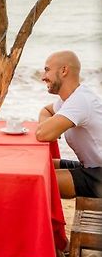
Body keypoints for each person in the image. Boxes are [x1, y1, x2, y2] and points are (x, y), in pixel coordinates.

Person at [36, 50, 102, 199]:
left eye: (47, 70)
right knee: (37, 165)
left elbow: (42, 134)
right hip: (90, 167)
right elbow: (46, 110)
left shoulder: (80, 101)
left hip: (98, 173)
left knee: (38, 180)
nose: (43, 77)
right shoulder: (70, 100)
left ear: (64, 70)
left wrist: (50, 129)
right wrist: (51, 126)